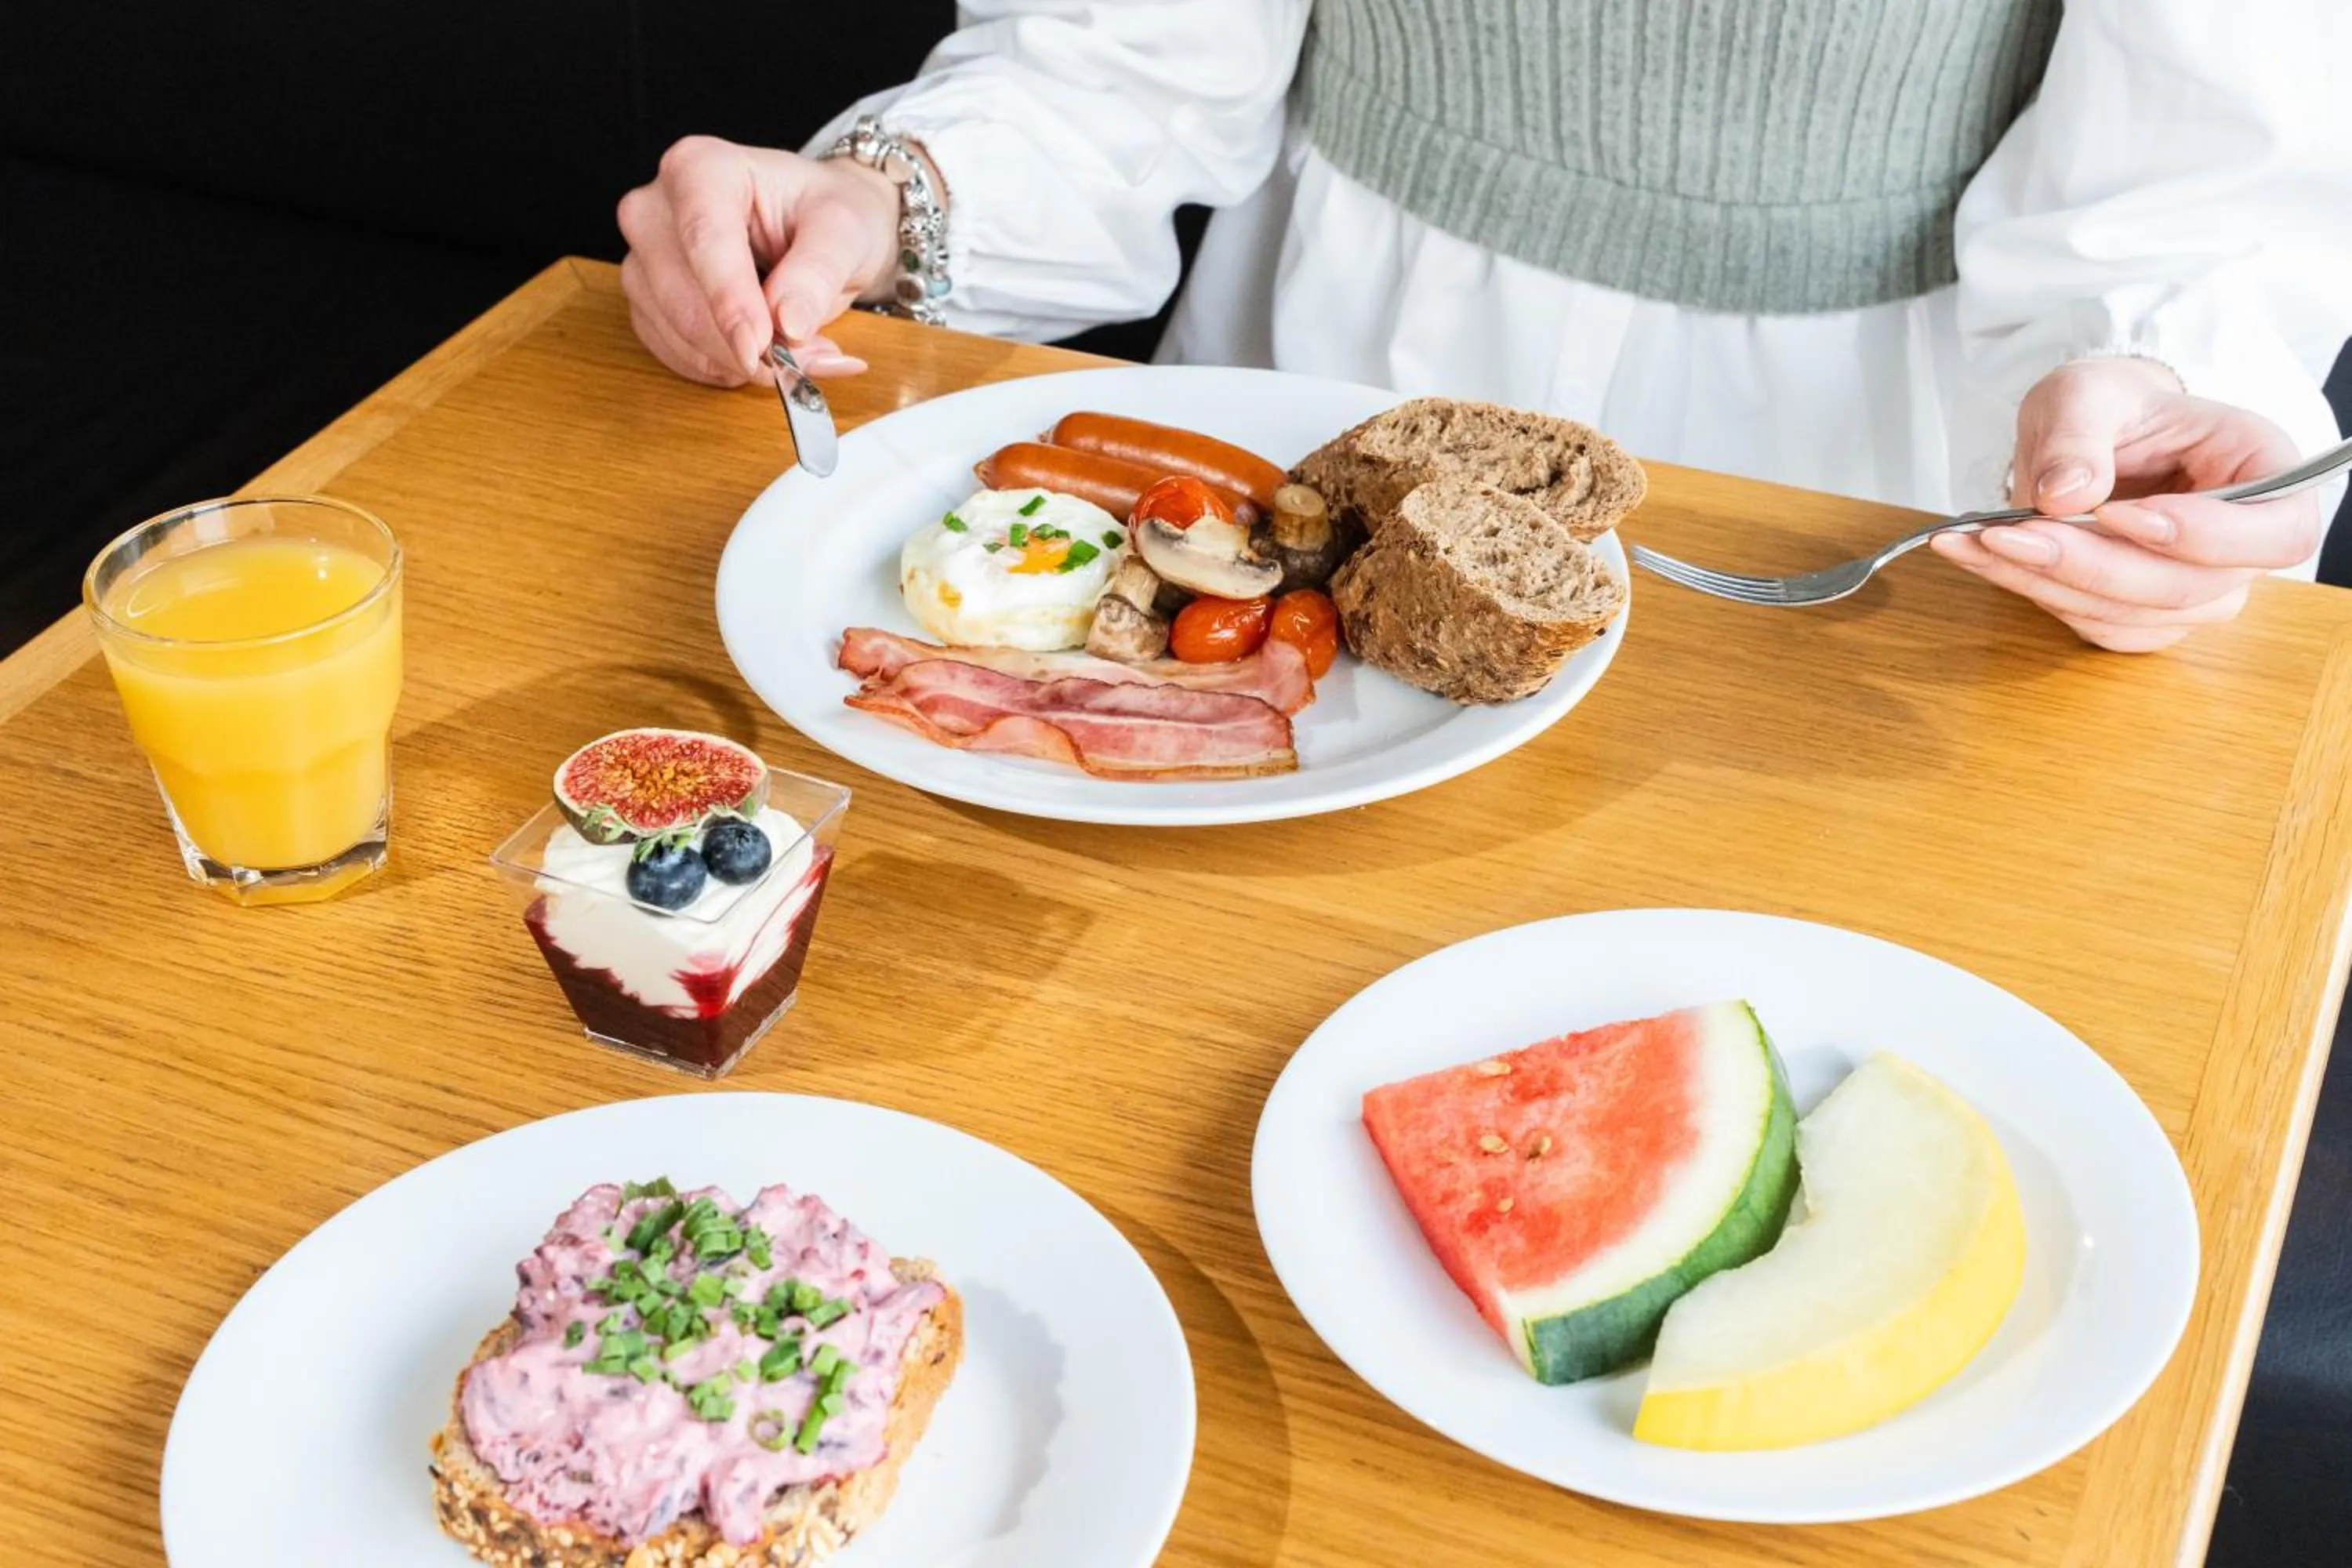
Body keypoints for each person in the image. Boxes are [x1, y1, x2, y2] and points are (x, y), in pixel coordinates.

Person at [616, 0, 2352, 652]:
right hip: (1317, 418)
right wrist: (880, 209)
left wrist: (2156, 404)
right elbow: (1122, 67)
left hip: (1847, 535)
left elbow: (2194, 196)